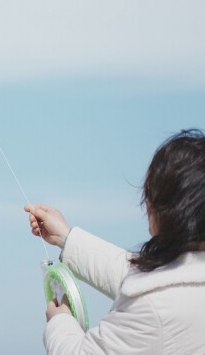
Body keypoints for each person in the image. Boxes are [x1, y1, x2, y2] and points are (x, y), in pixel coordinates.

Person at [25, 129, 205, 354]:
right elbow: (138, 277)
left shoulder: (152, 309)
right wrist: (66, 237)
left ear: (165, 207)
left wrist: (60, 322)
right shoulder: (181, 284)